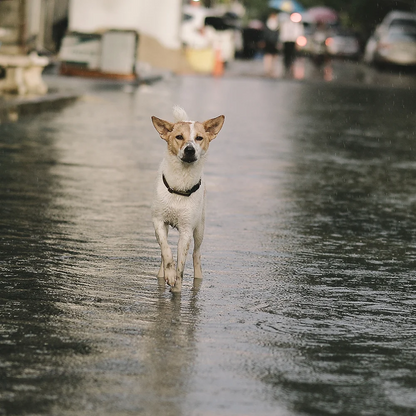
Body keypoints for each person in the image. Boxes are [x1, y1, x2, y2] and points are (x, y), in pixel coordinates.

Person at [261, 10, 280, 77]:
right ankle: (269, 68)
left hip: (272, 42)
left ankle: (270, 68)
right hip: (270, 42)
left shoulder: (276, 24)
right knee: (269, 55)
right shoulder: (275, 24)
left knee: (271, 56)